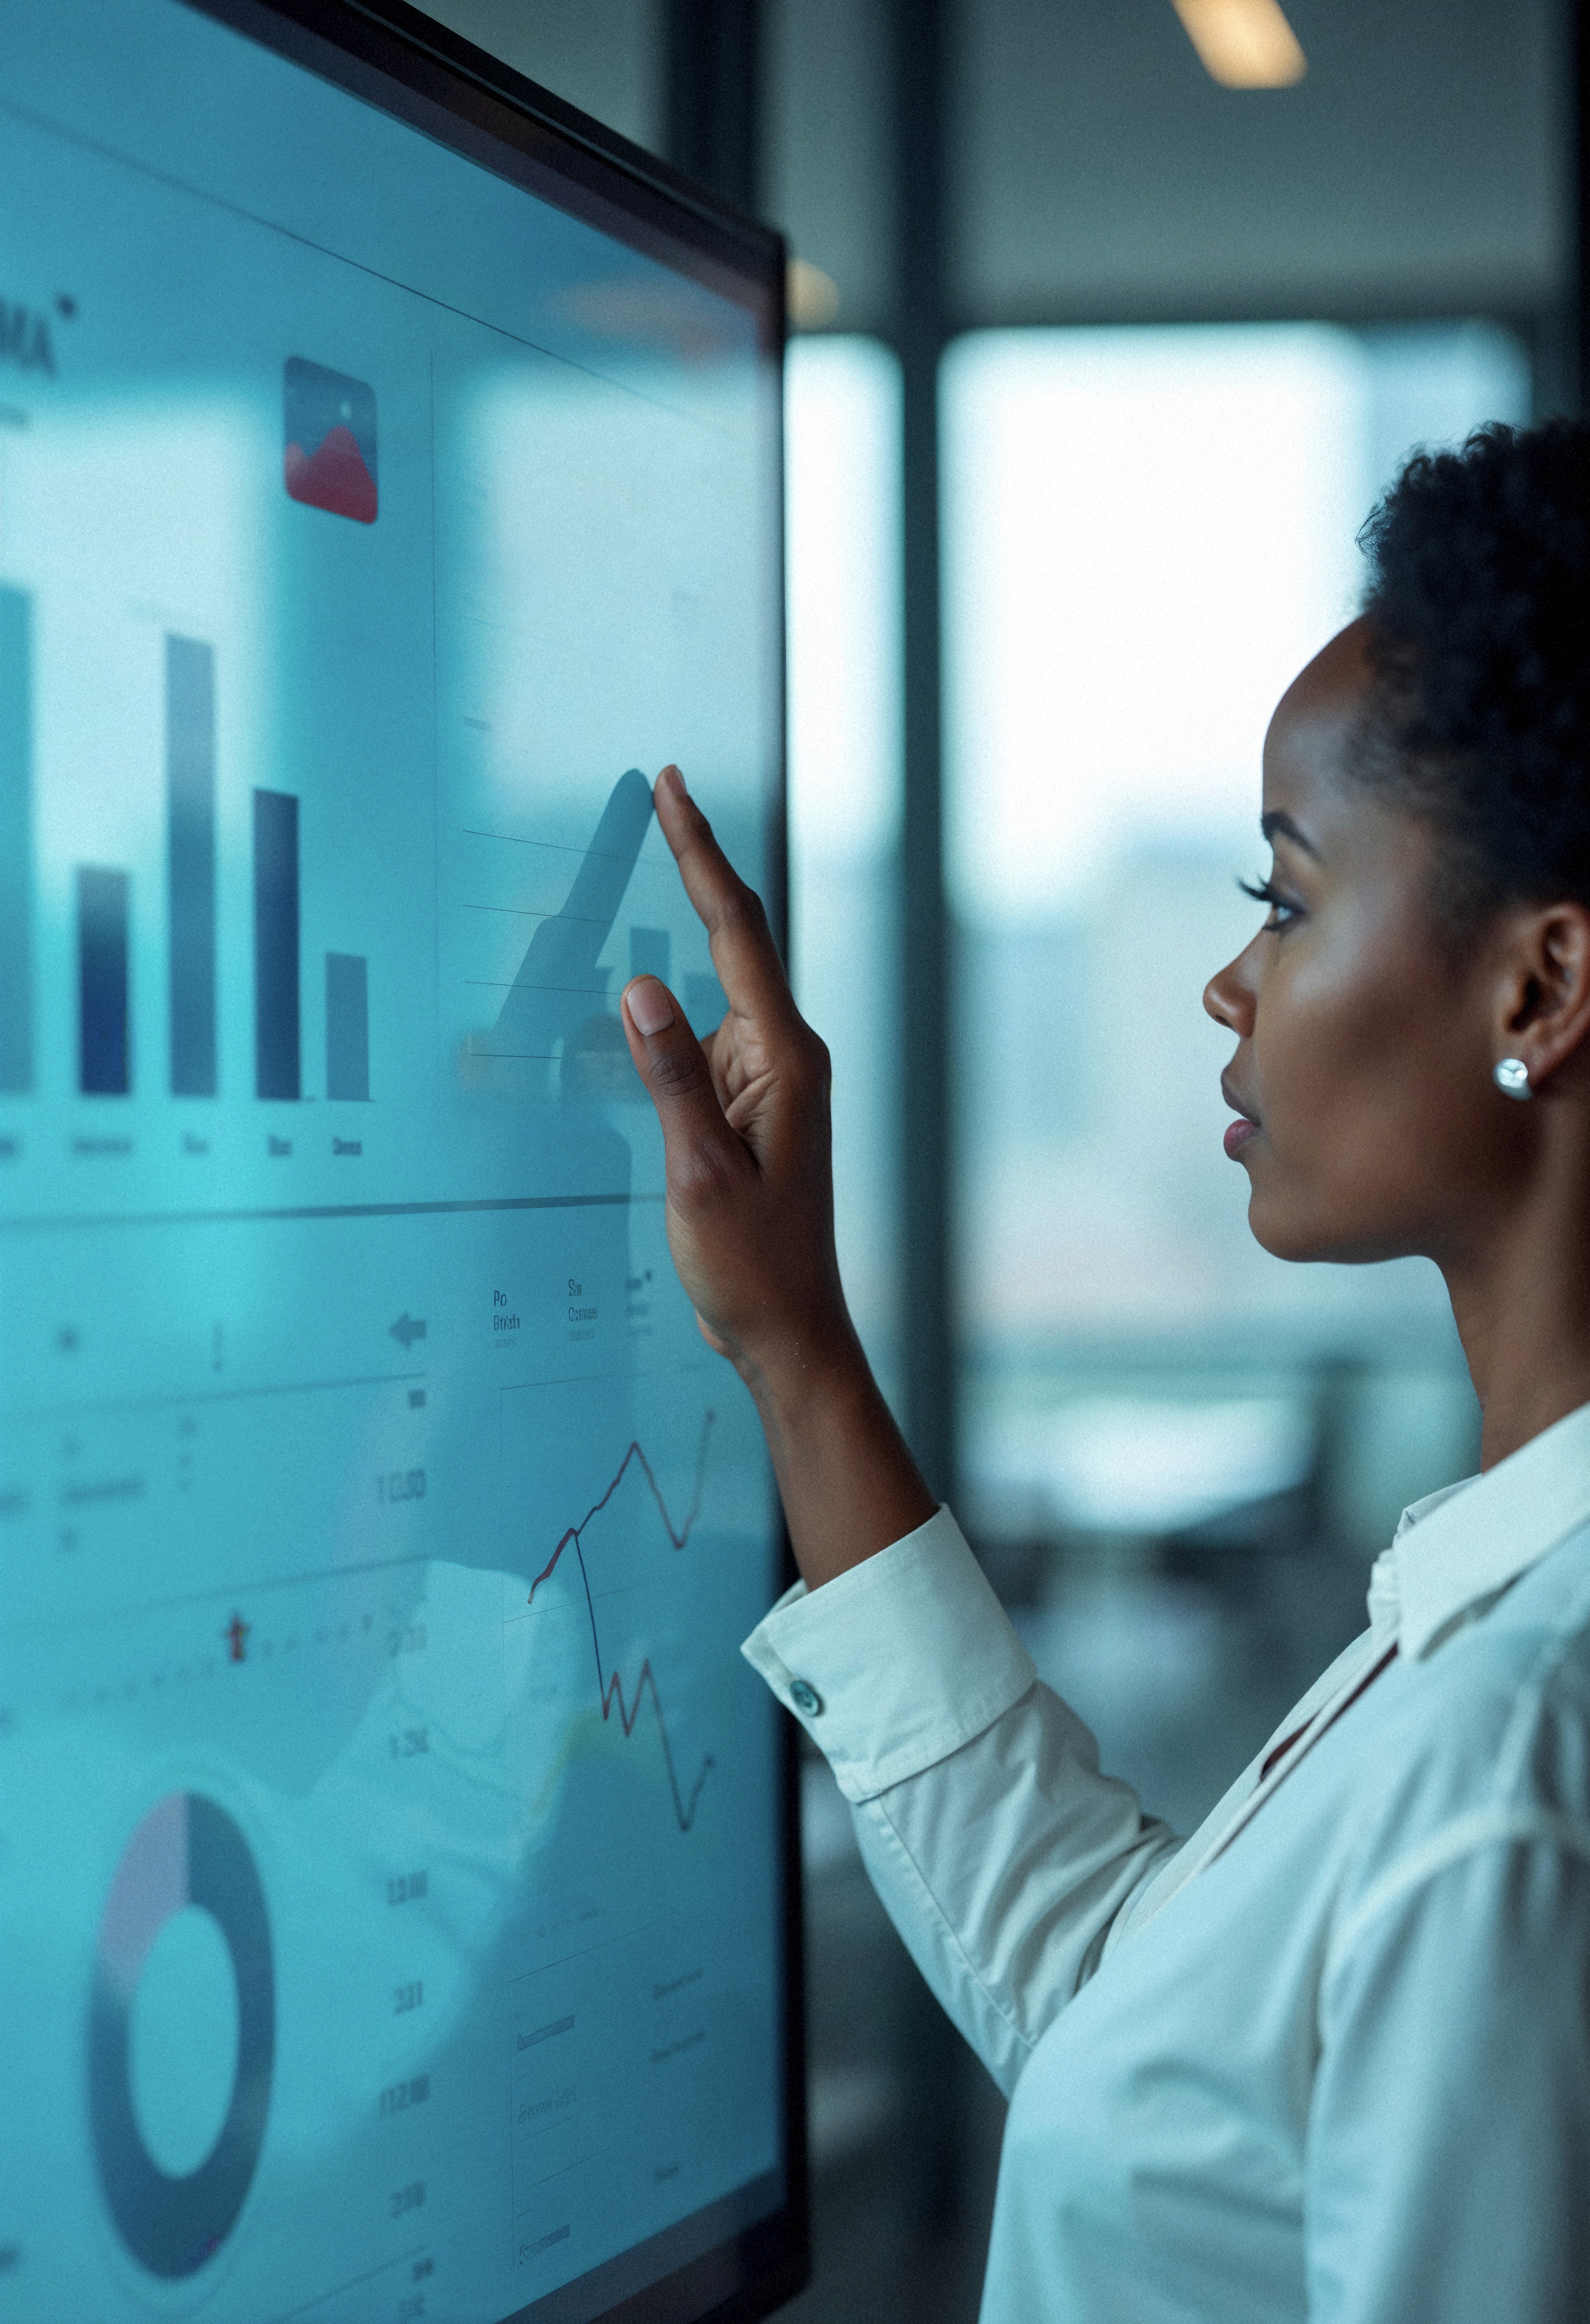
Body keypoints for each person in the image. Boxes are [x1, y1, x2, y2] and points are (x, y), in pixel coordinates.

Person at [619, 419, 1590, 2322]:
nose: (1231, 985)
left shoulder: (1511, 1761)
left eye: (1288, 899)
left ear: (1539, 991)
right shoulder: (1492, 1642)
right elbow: (1134, 2028)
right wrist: (797, 1343)